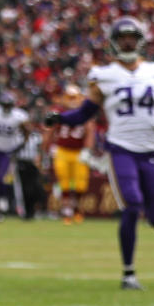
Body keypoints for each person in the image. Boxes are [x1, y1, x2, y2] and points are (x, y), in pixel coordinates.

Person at [45, 16, 154, 290]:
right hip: (120, 148)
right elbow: (85, 113)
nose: (127, 43)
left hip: (151, 151)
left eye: (131, 37)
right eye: (122, 38)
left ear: (141, 40)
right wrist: (60, 118)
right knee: (132, 204)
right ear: (113, 42)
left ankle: (145, 240)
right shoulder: (104, 75)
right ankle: (128, 273)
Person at [47, 84, 95, 225]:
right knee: (64, 182)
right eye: (69, 97)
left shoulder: (85, 114)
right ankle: (67, 211)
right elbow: (50, 131)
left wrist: (87, 149)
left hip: (78, 152)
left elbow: (89, 132)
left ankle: (78, 210)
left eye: (74, 97)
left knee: (80, 184)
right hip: (62, 151)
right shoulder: (59, 113)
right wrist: (48, 146)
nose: (72, 100)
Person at [0, 89, 30, 221]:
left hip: (9, 151)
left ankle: (3, 204)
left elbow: (27, 132)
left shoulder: (18, 116)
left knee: (1, 178)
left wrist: (20, 146)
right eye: (4, 105)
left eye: (8, 105)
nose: (6, 108)